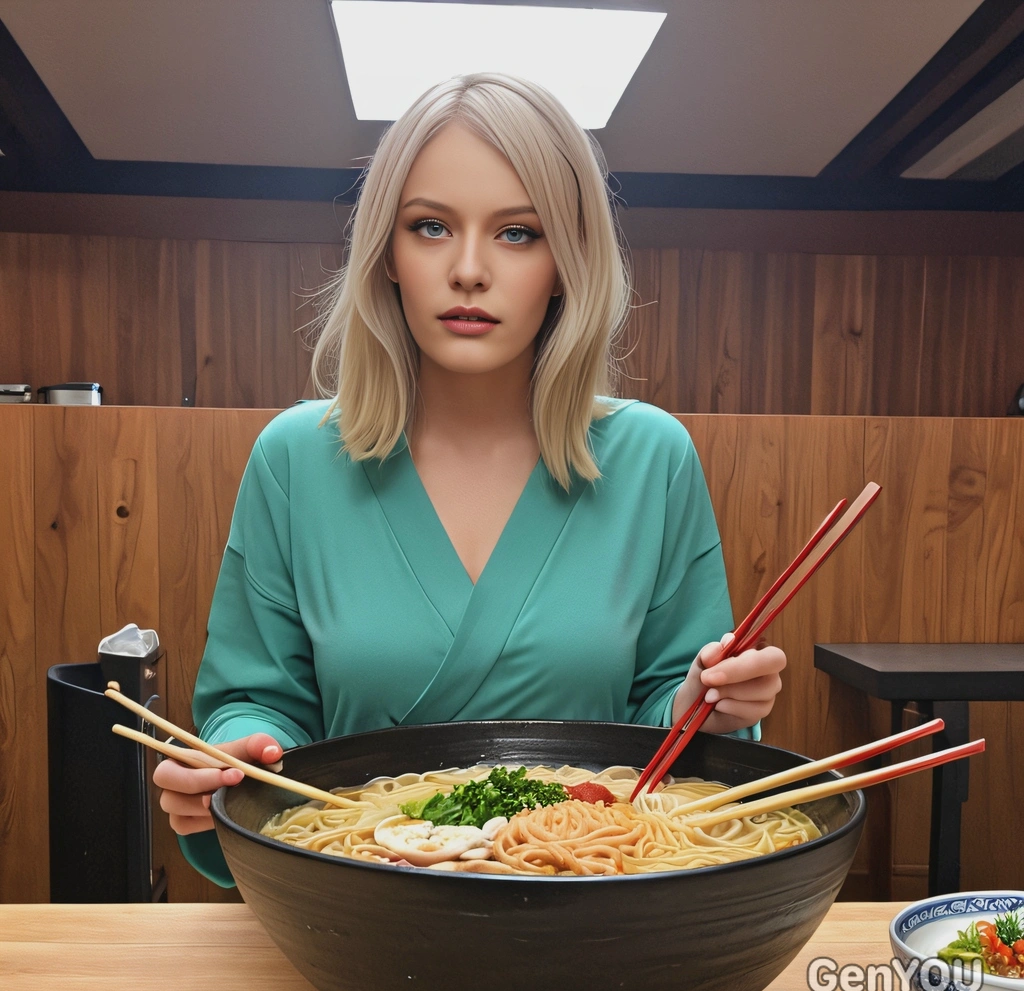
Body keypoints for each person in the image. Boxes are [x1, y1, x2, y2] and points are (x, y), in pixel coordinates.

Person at [155, 72, 786, 887]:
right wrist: (233, 757)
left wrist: (705, 697)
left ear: (568, 261)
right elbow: (254, 701)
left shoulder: (652, 458)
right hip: (363, 904)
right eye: (429, 227)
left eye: (518, 233)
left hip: (594, 910)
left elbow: (665, 747)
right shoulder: (295, 458)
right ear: (385, 252)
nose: (468, 270)